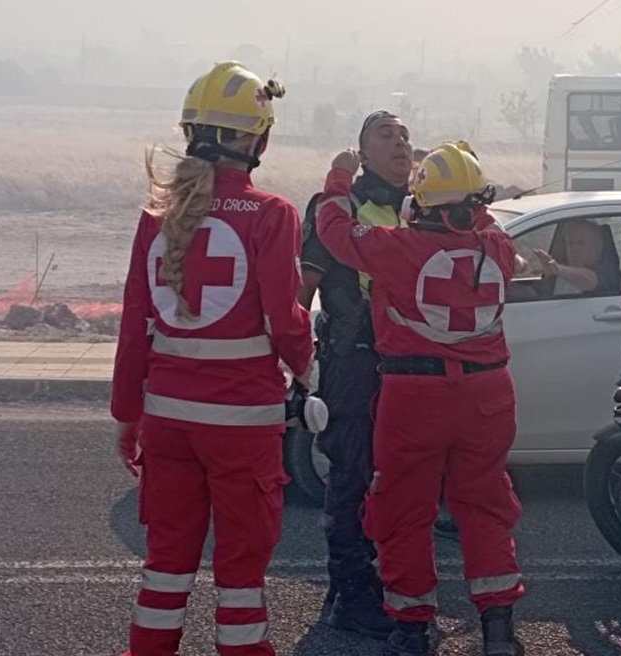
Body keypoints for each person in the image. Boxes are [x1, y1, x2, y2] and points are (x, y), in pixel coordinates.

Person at [111, 61, 314, 656]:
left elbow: (133, 330)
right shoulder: (274, 214)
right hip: (242, 427)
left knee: (165, 569)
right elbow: (285, 322)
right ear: (256, 138)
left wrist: (128, 416)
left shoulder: (156, 218)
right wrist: (311, 371)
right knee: (241, 581)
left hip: (168, 421)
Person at [317, 142, 525, 656]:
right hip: (489, 392)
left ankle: (411, 629)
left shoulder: (398, 248)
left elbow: (334, 231)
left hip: (414, 395)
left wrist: (339, 178)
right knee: (485, 507)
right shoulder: (497, 247)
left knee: (402, 510)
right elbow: (485, 219)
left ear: (422, 205)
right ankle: (498, 631)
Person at [298, 110, 413, 639]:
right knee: (351, 479)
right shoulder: (334, 206)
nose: (401, 143)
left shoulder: (419, 210)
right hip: (354, 364)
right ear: (362, 153)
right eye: (386, 135)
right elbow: (301, 293)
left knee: (393, 483)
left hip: (407, 368)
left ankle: (363, 583)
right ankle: (350, 595)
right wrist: (296, 368)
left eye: (406, 135)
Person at [533, 218, 621, 296]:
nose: (574, 249)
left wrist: (558, 270)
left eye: (581, 243)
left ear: (596, 246)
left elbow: (589, 280)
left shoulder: (608, 273)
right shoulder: (562, 274)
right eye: (570, 243)